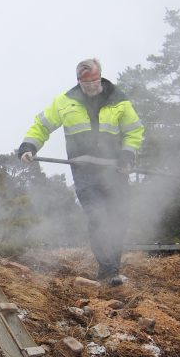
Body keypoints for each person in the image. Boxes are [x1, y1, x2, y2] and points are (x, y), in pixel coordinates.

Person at [17, 58, 144, 285]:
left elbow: (134, 131)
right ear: (79, 81)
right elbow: (42, 125)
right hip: (84, 172)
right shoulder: (65, 102)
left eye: (96, 81)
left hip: (114, 171)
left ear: (101, 76)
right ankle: (108, 270)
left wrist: (127, 154)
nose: (93, 86)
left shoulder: (119, 101)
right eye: (87, 83)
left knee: (118, 218)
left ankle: (112, 268)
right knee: (97, 216)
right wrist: (29, 146)